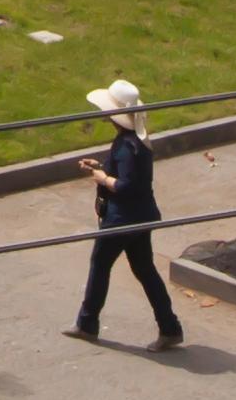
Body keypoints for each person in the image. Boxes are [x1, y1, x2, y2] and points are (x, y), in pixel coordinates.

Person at [66, 77, 185, 349]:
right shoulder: (134, 142)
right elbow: (125, 172)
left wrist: (101, 178)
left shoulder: (129, 147)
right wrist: (99, 165)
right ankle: (169, 327)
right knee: (145, 269)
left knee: (100, 264)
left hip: (123, 218)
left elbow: (126, 185)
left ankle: (87, 323)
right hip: (141, 216)